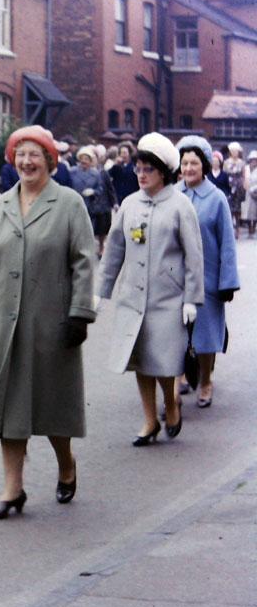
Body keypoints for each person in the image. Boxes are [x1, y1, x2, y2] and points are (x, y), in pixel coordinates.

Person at [0, 125, 96, 520]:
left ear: (50, 161)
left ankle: (66, 463)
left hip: (52, 323)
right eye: (20, 154)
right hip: (4, 324)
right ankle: (13, 490)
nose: (27, 161)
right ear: (12, 159)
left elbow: (83, 262)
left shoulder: (69, 203)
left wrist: (80, 313)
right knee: (8, 406)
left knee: (53, 404)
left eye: (35, 154)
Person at [98, 133, 204, 446]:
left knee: (164, 359)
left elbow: (193, 256)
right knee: (140, 359)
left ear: (164, 173)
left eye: (149, 170)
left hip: (167, 299)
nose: (142, 176)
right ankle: (148, 420)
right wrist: (101, 292)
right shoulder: (130, 205)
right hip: (133, 298)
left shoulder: (180, 205)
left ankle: (171, 404)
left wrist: (192, 299)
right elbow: (114, 251)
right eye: (138, 170)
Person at [175, 135, 240, 408]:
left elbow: (227, 243)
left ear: (204, 165)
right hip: (176, 277)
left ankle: (206, 381)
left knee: (206, 332)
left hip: (209, 278)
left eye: (194, 163)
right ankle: (180, 377)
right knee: (175, 331)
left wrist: (228, 282)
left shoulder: (216, 199)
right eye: (184, 163)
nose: (189, 168)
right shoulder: (173, 194)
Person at [71, 146, 111, 256]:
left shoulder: (96, 174)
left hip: (90, 206)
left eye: (87, 159)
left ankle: (85, 252)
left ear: (90, 161)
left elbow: (101, 189)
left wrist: (93, 191)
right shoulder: (72, 172)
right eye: (82, 159)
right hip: (74, 204)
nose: (84, 161)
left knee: (88, 230)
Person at [224, 142, 246, 238]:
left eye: (236, 151)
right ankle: (229, 230)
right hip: (229, 186)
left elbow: (244, 175)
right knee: (229, 209)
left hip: (239, 187)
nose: (234, 153)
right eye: (232, 151)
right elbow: (224, 175)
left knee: (238, 210)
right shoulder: (226, 162)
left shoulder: (242, 163)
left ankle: (238, 229)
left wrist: (244, 185)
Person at [109, 140, 139, 205]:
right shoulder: (116, 166)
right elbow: (108, 176)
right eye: (121, 153)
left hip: (131, 197)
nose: (123, 155)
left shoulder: (134, 166)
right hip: (118, 198)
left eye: (125, 153)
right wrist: (115, 165)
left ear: (129, 153)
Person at [241, 150, 257, 238]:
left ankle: (253, 229)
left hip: (255, 193)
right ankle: (249, 228)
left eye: (255, 160)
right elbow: (243, 178)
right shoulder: (246, 168)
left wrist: (253, 189)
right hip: (246, 192)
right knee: (246, 212)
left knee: (254, 212)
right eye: (252, 160)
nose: (254, 161)